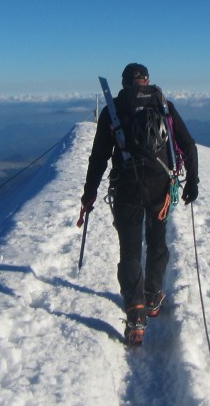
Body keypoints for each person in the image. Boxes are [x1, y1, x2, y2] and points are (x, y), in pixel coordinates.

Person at [79, 63, 198, 345]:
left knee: (130, 251)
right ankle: (153, 296)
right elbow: (189, 145)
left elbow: (98, 158)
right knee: (157, 240)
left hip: (126, 189)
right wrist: (192, 182)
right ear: (147, 81)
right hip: (161, 187)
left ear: (123, 83)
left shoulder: (113, 110)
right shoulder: (163, 106)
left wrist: (89, 193)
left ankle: (135, 315)